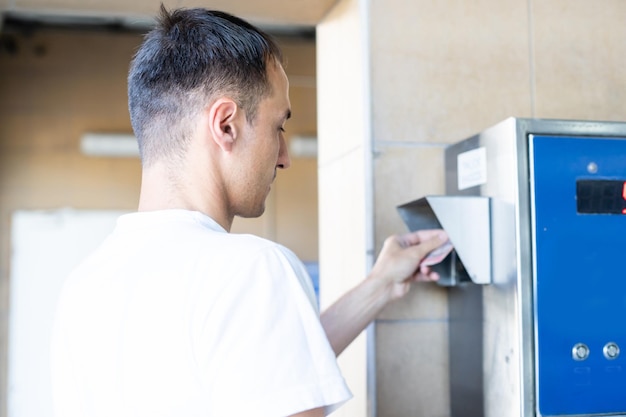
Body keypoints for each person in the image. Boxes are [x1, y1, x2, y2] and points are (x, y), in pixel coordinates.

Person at [50, 5, 448, 417]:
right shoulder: (251, 269)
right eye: (278, 127)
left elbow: (262, 372)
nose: (285, 157)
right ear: (226, 125)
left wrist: (381, 284)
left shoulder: (85, 285)